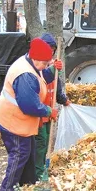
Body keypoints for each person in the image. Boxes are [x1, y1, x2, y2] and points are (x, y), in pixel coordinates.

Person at [0, 38, 62, 191]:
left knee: (27, 151)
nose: (46, 66)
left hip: (19, 121)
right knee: (19, 153)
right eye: (46, 63)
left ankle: (24, 183)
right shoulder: (25, 75)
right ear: (37, 59)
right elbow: (29, 105)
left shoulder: (31, 62)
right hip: (12, 121)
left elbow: (41, 75)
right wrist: (48, 111)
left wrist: (52, 69)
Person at [35, 33, 70, 180]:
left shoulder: (53, 69)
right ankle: (37, 174)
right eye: (48, 49)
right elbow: (40, 76)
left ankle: (44, 167)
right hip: (37, 115)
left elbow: (57, 89)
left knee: (47, 141)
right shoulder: (37, 68)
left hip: (49, 115)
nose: (50, 53)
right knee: (41, 144)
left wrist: (65, 101)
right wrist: (51, 70)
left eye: (52, 50)